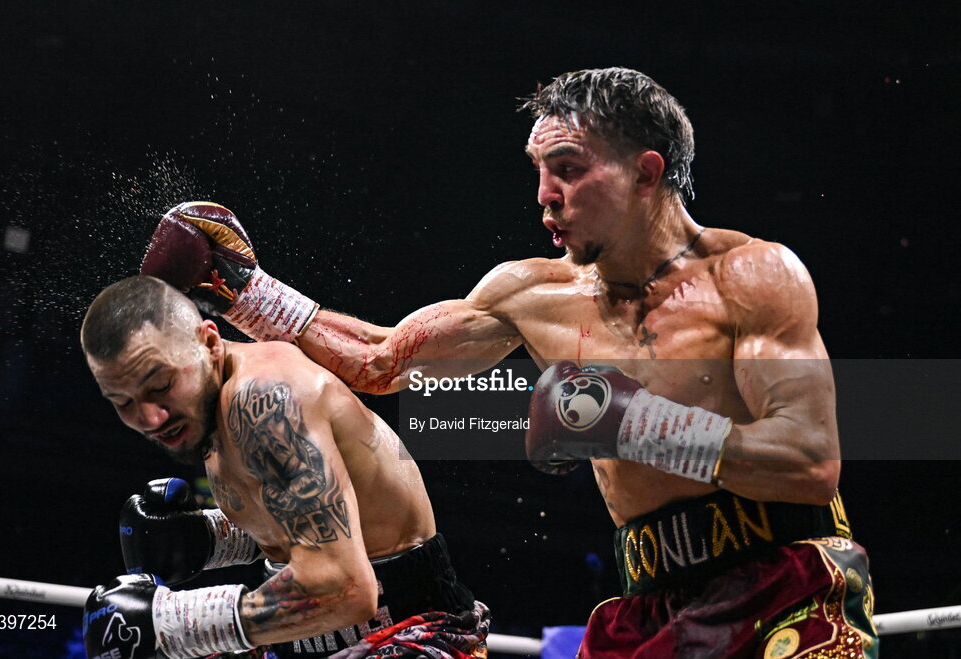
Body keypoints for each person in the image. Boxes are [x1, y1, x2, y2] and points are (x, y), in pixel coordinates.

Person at [143, 67, 876, 657]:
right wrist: (241, 291)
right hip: (650, 601)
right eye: (538, 170)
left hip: (789, 581)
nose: (544, 196)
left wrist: (633, 421)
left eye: (567, 168)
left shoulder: (754, 277)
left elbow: (810, 460)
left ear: (647, 172)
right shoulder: (532, 292)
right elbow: (380, 361)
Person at [79, 275, 487, 659]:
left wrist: (173, 624)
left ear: (209, 342)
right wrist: (210, 538)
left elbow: (344, 588)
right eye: (123, 402)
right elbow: (303, 512)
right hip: (303, 636)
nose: (150, 417)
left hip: (402, 632)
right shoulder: (205, 408)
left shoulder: (265, 400)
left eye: (161, 386)